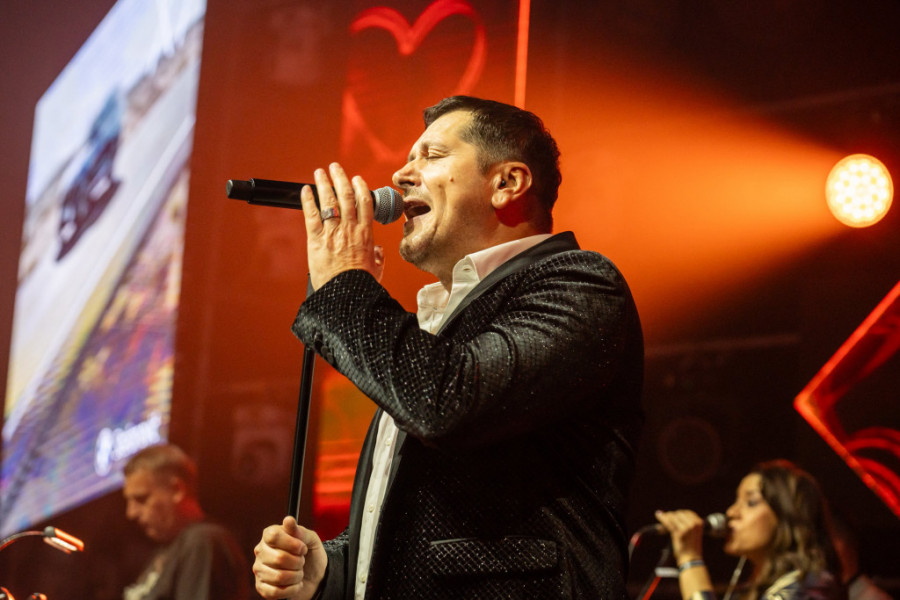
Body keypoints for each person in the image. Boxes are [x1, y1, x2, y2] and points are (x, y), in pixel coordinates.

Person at [251, 95, 644, 599]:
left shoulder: (580, 285)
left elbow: (447, 404)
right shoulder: (430, 329)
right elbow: (423, 521)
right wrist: (332, 571)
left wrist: (347, 285)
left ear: (507, 183)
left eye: (431, 156)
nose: (400, 175)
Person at [655, 459, 844, 600]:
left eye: (751, 502)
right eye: (736, 501)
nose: (731, 512)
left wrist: (690, 559)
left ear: (787, 516)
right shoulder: (752, 590)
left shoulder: (810, 587)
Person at [122, 443, 250, 600]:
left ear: (177, 490)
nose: (131, 513)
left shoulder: (201, 540)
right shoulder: (167, 550)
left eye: (141, 499)